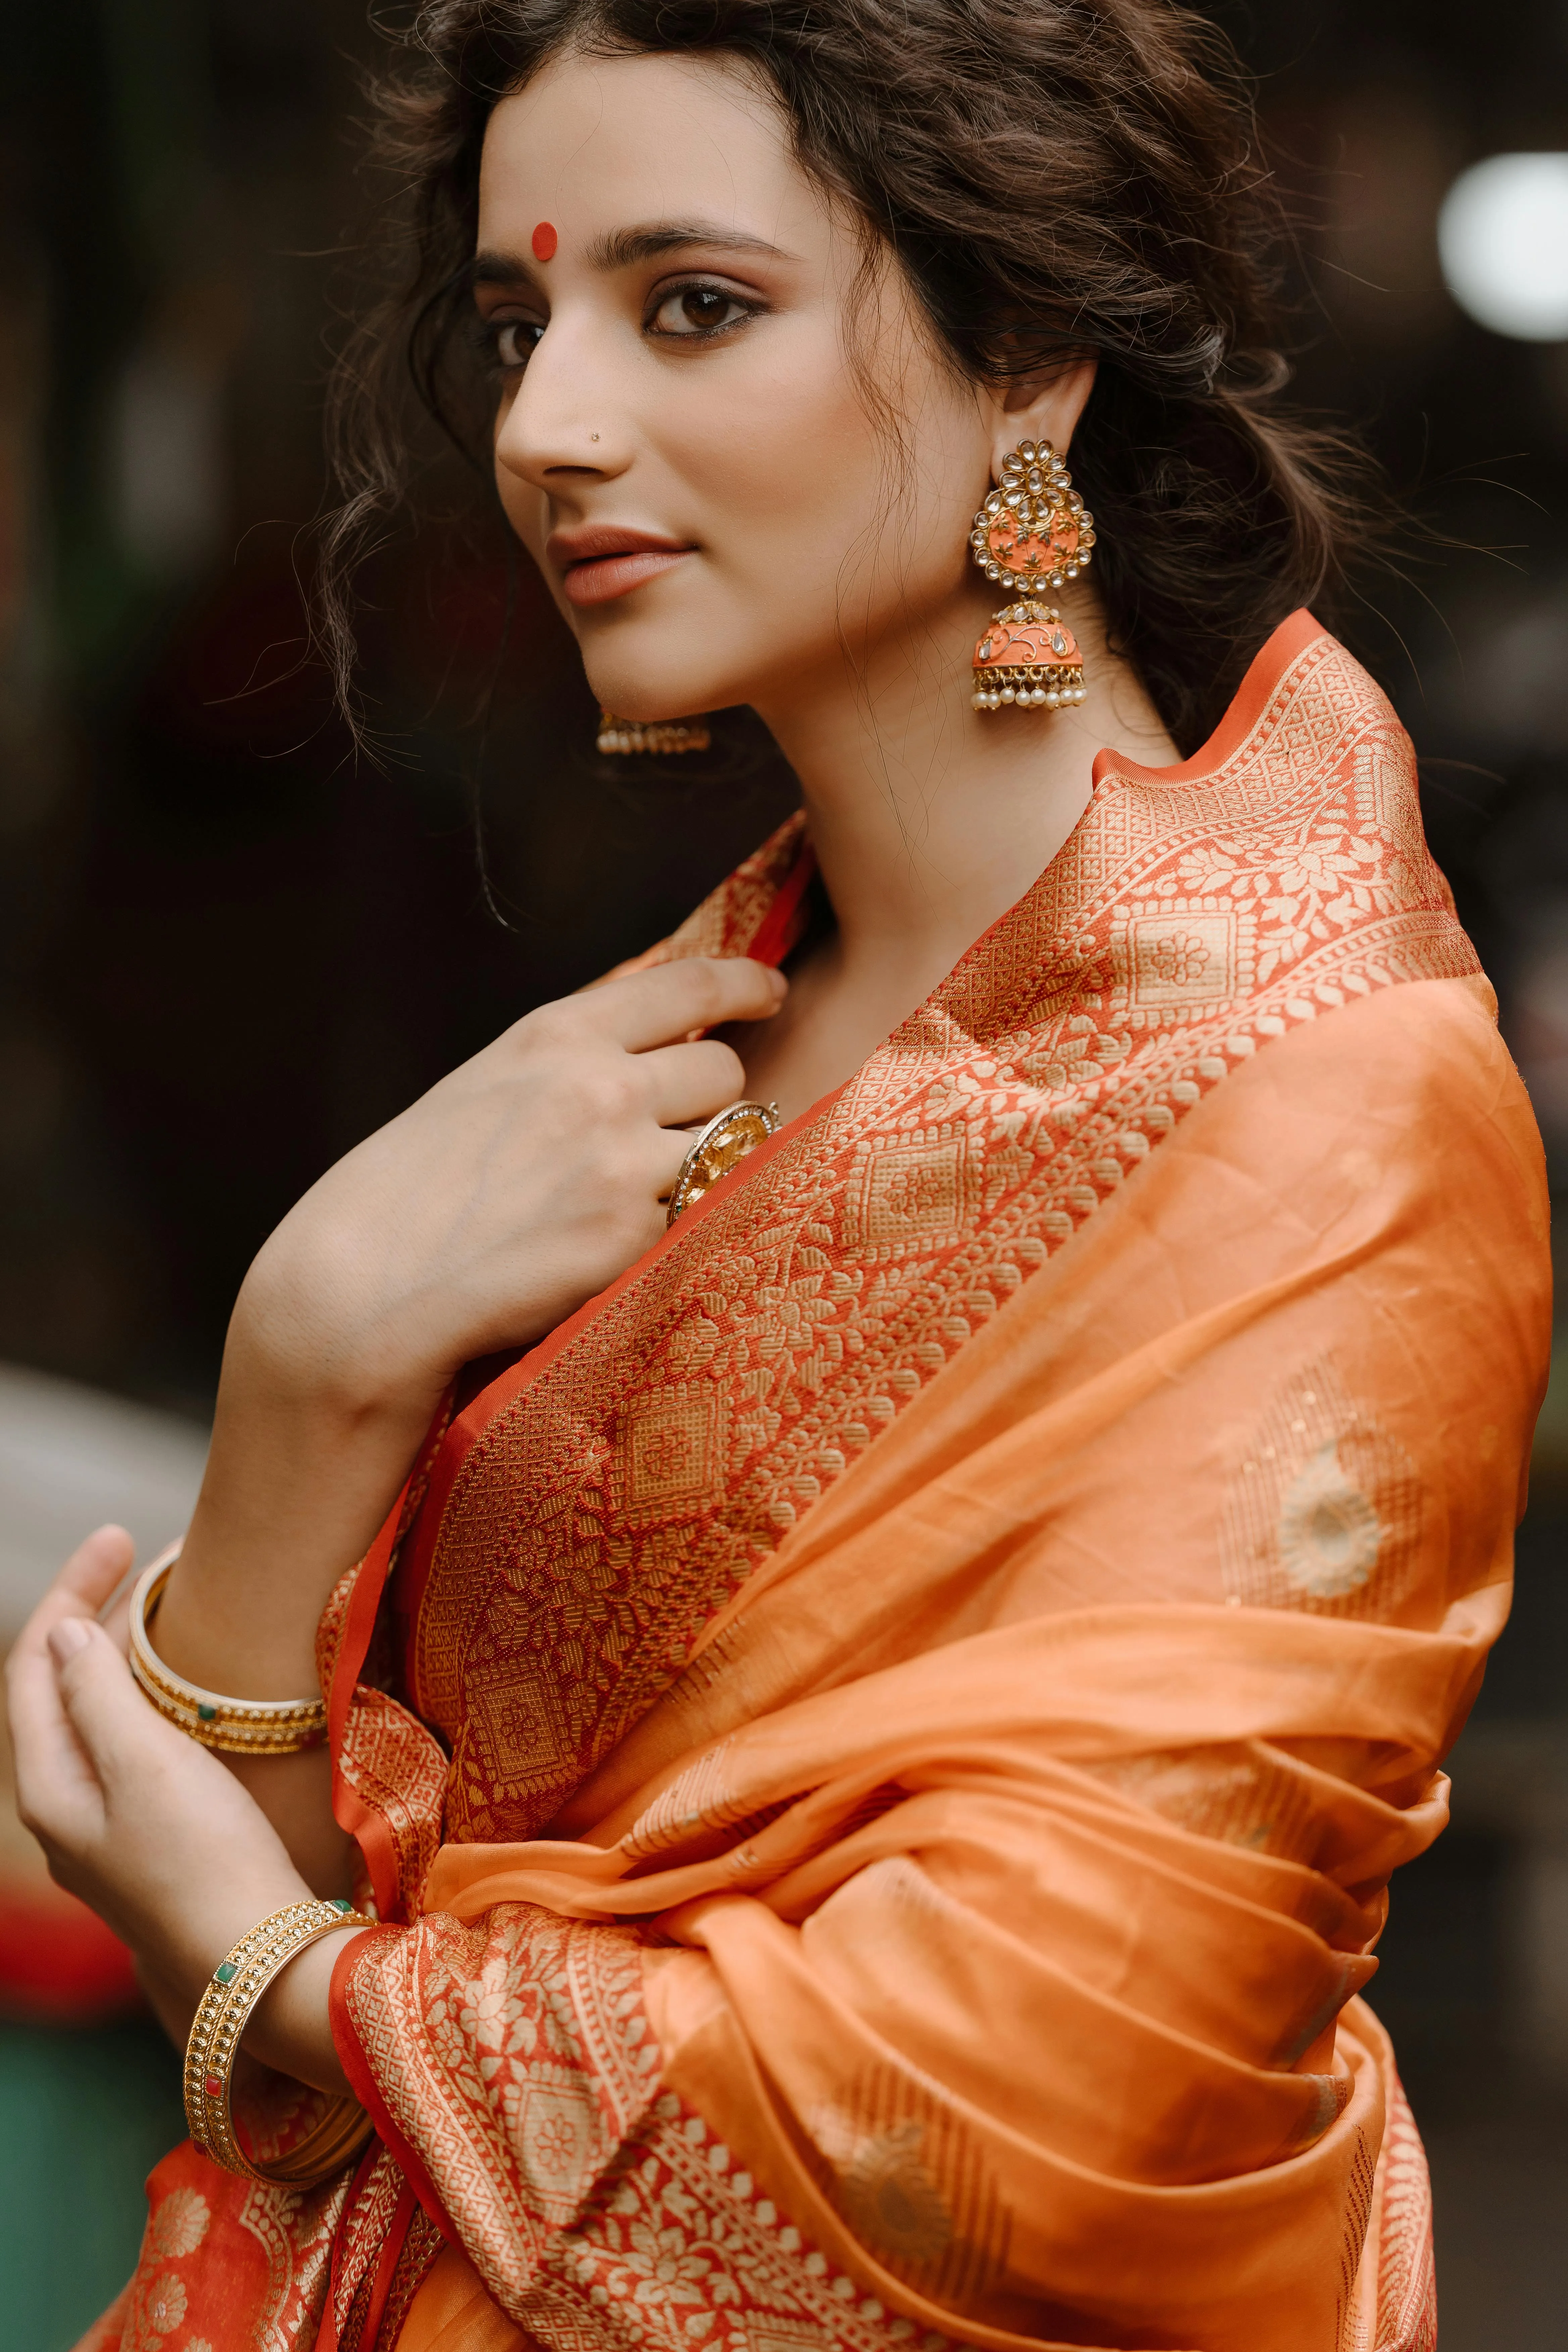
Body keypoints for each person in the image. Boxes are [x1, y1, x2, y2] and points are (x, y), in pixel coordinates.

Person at [6, 3, 1550, 2348]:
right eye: (517, 327)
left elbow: (1031, 2103)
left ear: (1029, 364)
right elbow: (246, 1902)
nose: (546, 426)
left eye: (694, 305)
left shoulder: (1319, 1095)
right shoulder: (684, 1026)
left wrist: (287, 1982)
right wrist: (307, 1359)